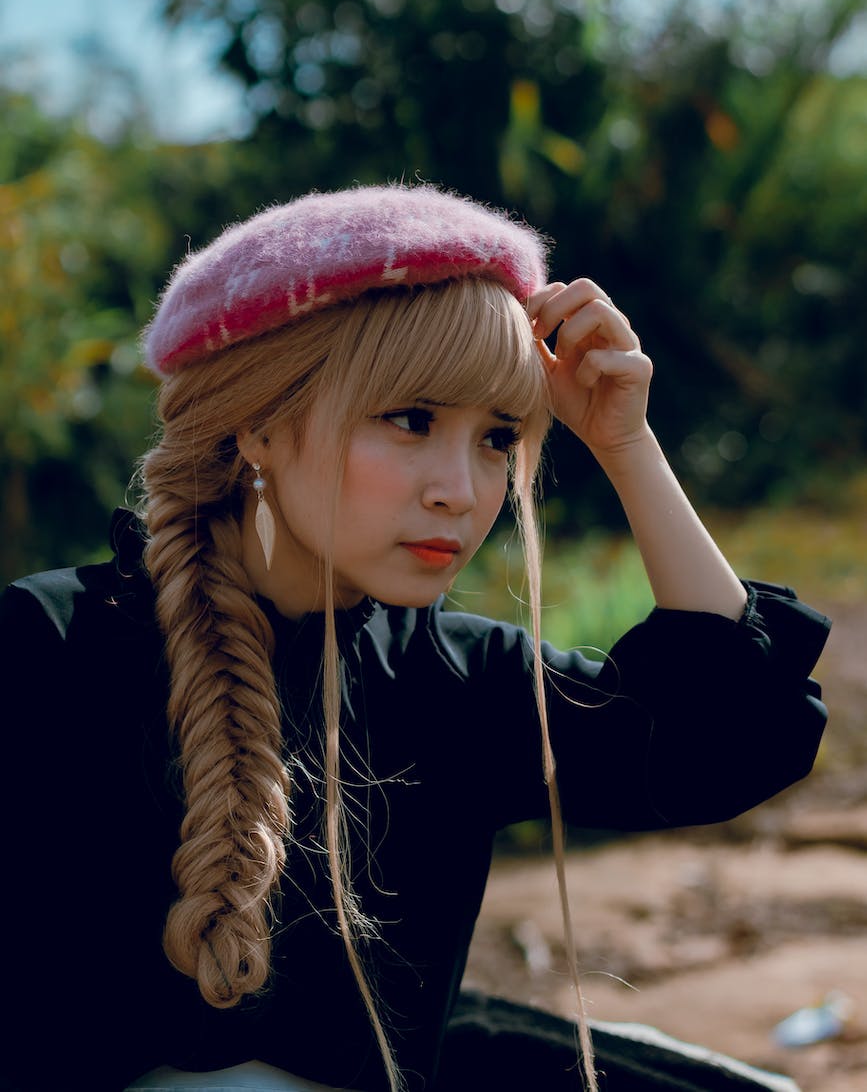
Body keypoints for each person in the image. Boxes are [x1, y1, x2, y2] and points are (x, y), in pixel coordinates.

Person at [1, 184, 828, 1092]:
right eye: (411, 420)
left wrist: (627, 447)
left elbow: (728, 740)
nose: (461, 492)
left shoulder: (455, 677)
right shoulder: (48, 652)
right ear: (260, 423)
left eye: (496, 438)